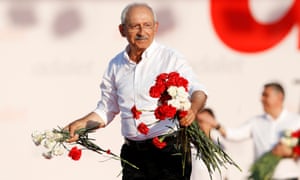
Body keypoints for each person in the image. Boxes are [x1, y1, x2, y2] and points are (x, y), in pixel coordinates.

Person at [64, 3, 207, 180]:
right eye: (134, 26)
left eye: (147, 25)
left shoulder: (170, 58)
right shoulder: (115, 65)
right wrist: (81, 125)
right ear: (122, 30)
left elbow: (198, 91)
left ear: (156, 27)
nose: (141, 32)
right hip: (133, 154)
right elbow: (106, 109)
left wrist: (193, 109)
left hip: (168, 151)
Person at [214, 82, 300, 179]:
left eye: (265, 95)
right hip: (263, 176)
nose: (261, 99)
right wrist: (216, 125)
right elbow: (233, 134)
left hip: (288, 176)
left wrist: (291, 152)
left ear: (279, 97)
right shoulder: (256, 122)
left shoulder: (296, 121)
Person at [191, 108, 227, 180]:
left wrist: (217, 125)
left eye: (204, 121)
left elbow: (224, 174)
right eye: (199, 121)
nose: (200, 124)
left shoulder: (220, 147)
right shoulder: (191, 146)